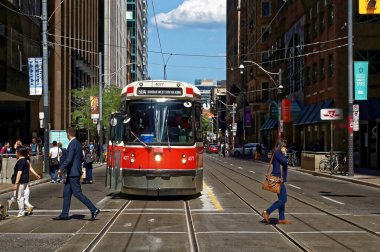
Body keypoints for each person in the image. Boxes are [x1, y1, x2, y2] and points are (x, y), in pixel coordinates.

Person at [52, 127, 99, 221]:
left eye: (66, 134)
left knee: (77, 193)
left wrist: (61, 168)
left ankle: (94, 209)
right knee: (66, 193)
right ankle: (64, 214)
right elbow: (81, 158)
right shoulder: (77, 143)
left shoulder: (72, 144)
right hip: (73, 172)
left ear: (68, 134)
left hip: (73, 173)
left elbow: (69, 159)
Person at [262, 139, 291, 225]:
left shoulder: (277, 153)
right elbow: (285, 162)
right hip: (277, 179)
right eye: (284, 146)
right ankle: (267, 211)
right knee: (283, 199)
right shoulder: (278, 153)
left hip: (279, 178)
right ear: (280, 146)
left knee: (282, 199)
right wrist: (284, 154)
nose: (285, 148)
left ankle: (281, 218)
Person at [11, 146, 41, 217]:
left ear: (19, 153)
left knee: (19, 197)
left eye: (16, 151)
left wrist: (16, 183)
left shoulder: (20, 161)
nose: (15, 153)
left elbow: (19, 173)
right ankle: (22, 211)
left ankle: (21, 212)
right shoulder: (25, 160)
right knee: (21, 196)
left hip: (21, 181)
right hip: (25, 180)